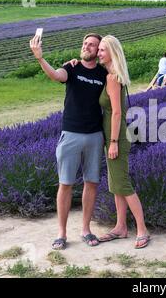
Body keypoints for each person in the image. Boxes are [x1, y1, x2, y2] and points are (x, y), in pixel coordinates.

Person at [30, 33, 106, 250]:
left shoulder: (103, 72)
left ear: (98, 51)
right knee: (66, 184)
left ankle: (85, 229)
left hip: (94, 135)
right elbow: (56, 75)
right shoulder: (71, 68)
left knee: (91, 182)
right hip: (71, 134)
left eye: (92, 45)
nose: (87, 47)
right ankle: (61, 233)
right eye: (85, 43)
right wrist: (40, 58)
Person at [97, 35, 150, 249]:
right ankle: (120, 227)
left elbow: (117, 112)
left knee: (124, 185)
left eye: (102, 50)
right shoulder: (111, 74)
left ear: (112, 53)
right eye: (98, 49)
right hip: (113, 136)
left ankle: (142, 229)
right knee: (116, 185)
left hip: (115, 137)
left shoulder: (112, 78)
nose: (98, 53)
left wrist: (113, 142)